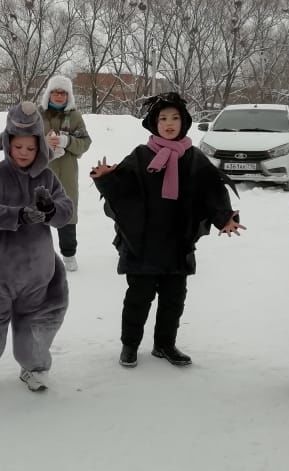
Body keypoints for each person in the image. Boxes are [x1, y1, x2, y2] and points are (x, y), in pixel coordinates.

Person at [91, 92, 243, 369]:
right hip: (143, 243)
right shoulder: (141, 156)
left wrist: (225, 218)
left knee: (174, 300)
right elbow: (121, 191)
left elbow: (212, 191)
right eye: (163, 118)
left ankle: (165, 344)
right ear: (153, 123)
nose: (169, 123)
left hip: (177, 243)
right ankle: (130, 345)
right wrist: (105, 179)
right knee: (138, 298)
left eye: (175, 118)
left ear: (184, 122)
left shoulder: (194, 158)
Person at [0, 101, 74, 394]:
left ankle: (33, 367)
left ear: (39, 149)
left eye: (30, 148)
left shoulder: (47, 176)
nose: (23, 153)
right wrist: (18, 215)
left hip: (38, 272)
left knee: (35, 322)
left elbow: (66, 210)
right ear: (8, 143)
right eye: (18, 147)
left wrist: (48, 211)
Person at [40, 75, 92, 271]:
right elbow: (25, 142)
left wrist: (67, 141)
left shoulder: (75, 117)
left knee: (67, 214)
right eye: (55, 92)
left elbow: (85, 143)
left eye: (63, 93)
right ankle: (37, 253)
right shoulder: (38, 115)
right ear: (49, 94)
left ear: (68, 95)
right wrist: (43, 143)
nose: (59, 96)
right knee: (38, 213)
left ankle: (69, 254)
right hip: (41, 173)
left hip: (66, 175)